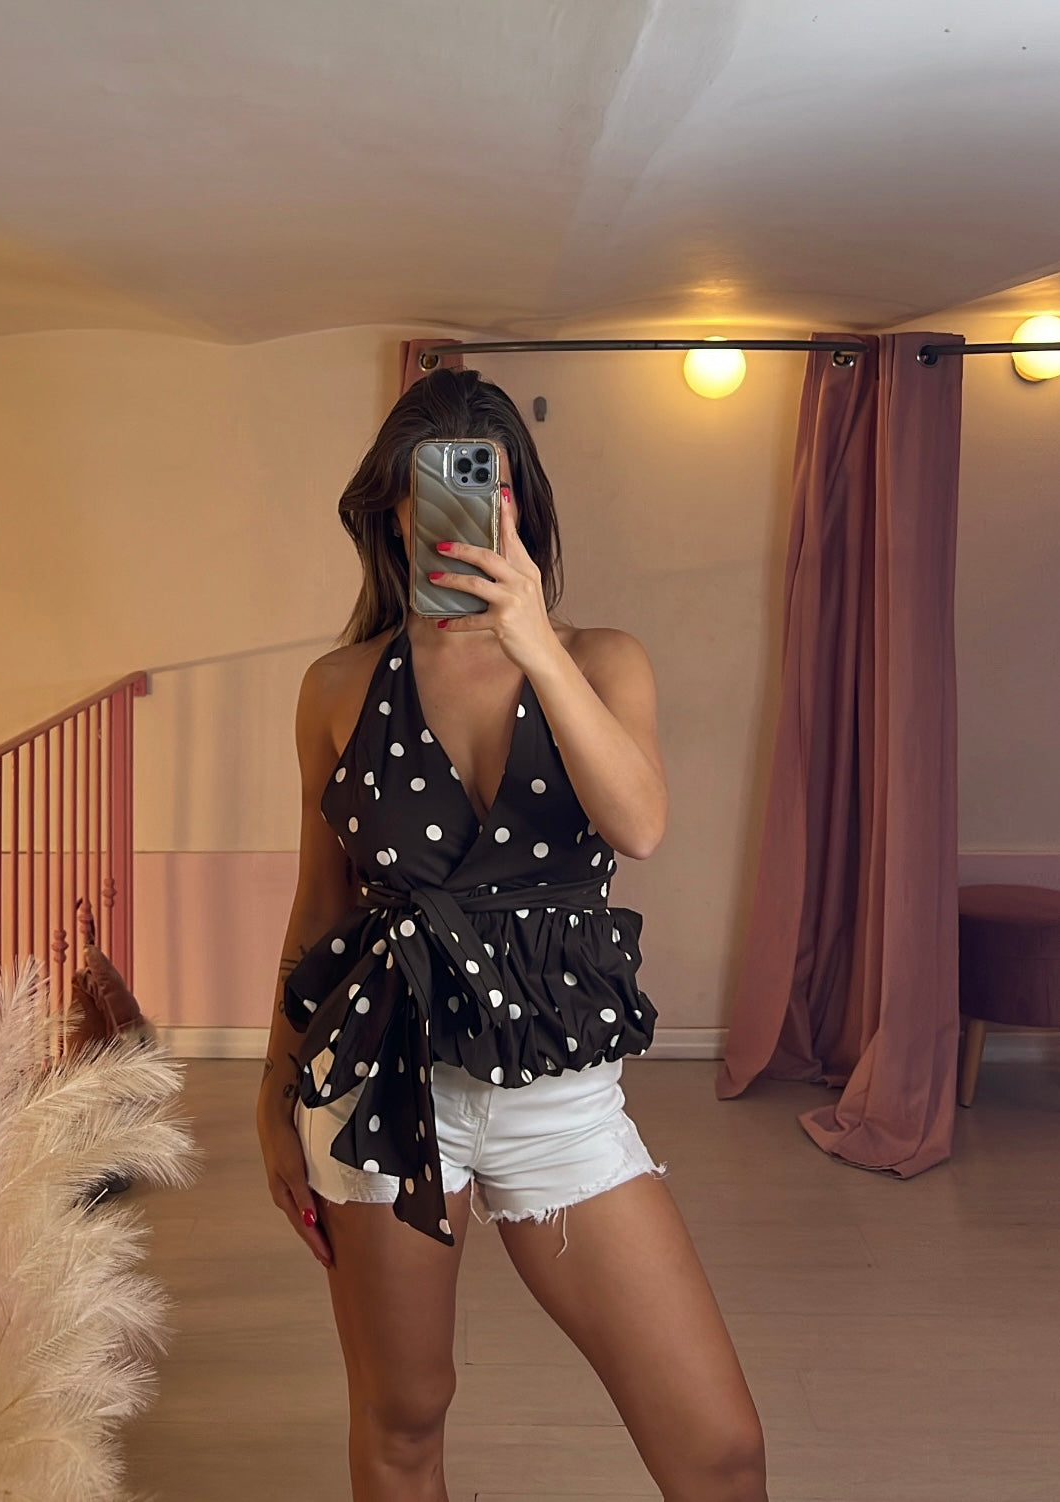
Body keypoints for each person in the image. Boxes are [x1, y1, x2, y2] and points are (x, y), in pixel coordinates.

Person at [255, 368, 768, 1502]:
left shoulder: (603, 659)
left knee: (723, 1450)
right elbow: (321, 911)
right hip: (383, 1086)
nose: (458, 515)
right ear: (392, 512)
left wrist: (533, 642)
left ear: (522, 506)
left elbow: (639, 822)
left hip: (560, 1097)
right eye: (428, 491)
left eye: (486, 489)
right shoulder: (337, 686)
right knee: (403, 1424)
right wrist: (272, 1097)